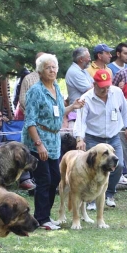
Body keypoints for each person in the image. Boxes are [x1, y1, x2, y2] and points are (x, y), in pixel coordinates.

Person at [22, 54, 83, 230]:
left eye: (54, 67)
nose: (52, 70)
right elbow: (30, 121)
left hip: (54, 139)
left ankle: (45, 215)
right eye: (48, 67)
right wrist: (38, 144)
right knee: (44, 179)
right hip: (38, 139)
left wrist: (73, 106)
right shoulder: (35, 91)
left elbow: (58, 111)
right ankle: (41, 219)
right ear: (40, 70)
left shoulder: (56, 87)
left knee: (55, 177)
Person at [74, 69, 127, 210]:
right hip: (94, 139)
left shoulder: (117, 93)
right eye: (102, 88)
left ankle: (110, 194)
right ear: (94, 84)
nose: (105, 90)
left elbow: (125, 109)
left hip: (113, 137)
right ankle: (91, 200)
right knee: (92, 169)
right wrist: (79, 139)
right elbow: (80, 120)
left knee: (118, 166)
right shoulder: (85, 98)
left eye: (107, 87)